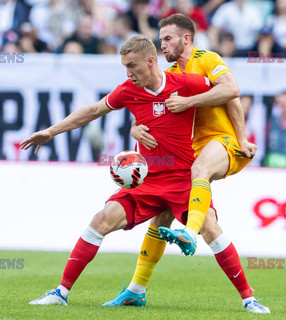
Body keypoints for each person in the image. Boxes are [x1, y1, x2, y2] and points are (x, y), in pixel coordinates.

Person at [20, 35, 216, 307]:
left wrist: (237, 140)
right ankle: (60, 293)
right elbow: (93, 110)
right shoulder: (128, 90)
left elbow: (228, 91)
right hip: (145, 181)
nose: (128, 72)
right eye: (125, 66)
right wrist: (51, 131)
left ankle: (248, 299)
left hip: (184, 179)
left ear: (150, 61)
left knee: (211, 230)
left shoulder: (185, 83)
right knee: (100, 220)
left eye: (132, 65)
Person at [104, 14, 269, 313]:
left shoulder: (207, 59)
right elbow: (148, 108)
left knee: (200, 173)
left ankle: (188, 235)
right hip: (191, 152)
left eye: (167, 38)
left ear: (187, 39)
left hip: (222, 141)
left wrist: (242, 139)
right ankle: (136, 290)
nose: (162, 44)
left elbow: (231, 91)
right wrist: (134, 127)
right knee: (175, 217)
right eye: (161, 38)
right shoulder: (167, 73)